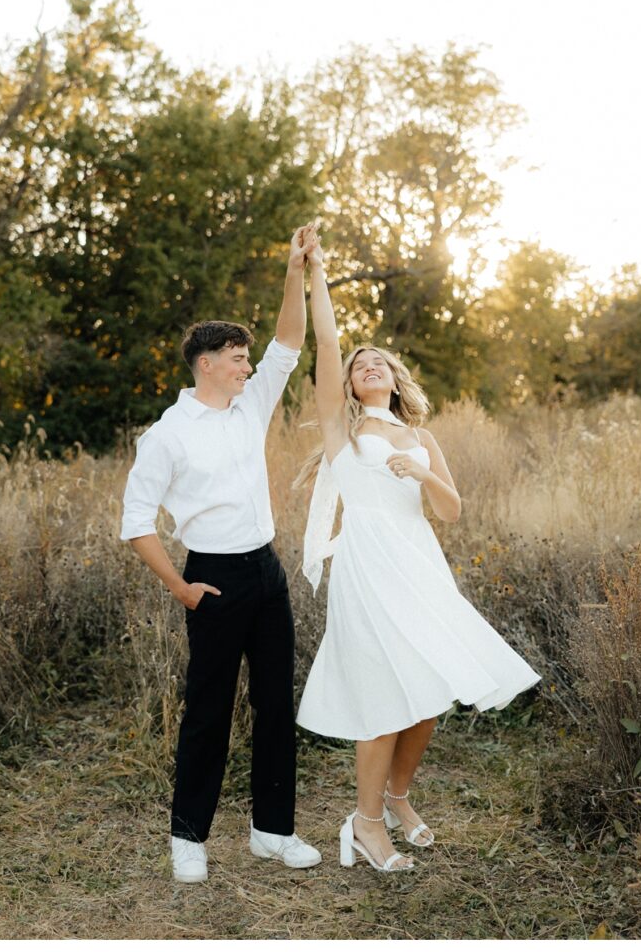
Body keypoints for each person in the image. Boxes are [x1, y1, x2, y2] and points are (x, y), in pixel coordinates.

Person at [292, 236, 539, 872]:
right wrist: (315, 271)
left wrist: (420, 472)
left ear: (397, 378)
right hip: (367, 563)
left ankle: (397, 798)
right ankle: (367, 825)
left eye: (379, 360)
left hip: (419, 560)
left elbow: (452, 509)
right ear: (348, 382)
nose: (366, 364)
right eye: (358, 363)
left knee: (430, 692)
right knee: (383, 696)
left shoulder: (421, 435)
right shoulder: (343, 432)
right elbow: (323, 344)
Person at [118, 225, 325, 883]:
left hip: (265, 572)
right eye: (236, 357)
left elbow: (288, 342)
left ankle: (273, 831)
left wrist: (295, 269)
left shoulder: (249, 406)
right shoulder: (167, 435)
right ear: (206, 362)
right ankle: (188, 838)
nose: (247, 366)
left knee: (275, 704)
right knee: (207, 710)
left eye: (245, 358)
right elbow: (135, 523)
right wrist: (181, 588)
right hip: (209, 578)